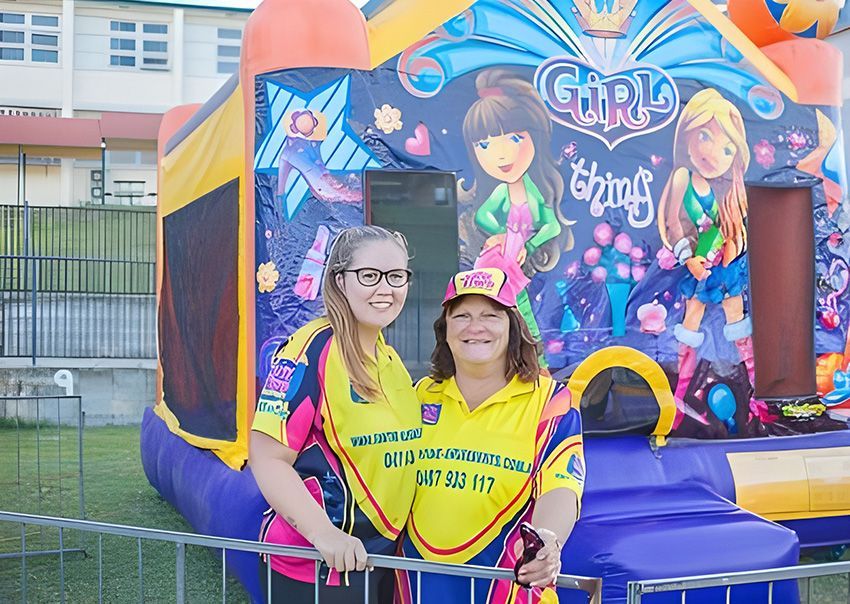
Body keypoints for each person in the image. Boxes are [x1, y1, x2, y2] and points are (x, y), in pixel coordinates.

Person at [249, 225, 421, 603]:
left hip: (379, 561)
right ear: (340, 281)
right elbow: (266, 456)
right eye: (369, 276)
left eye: (396, 276)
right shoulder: (309, 350)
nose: (386, 288)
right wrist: (324, 534)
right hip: (314, 569)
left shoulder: (389, 359)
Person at [398, 267, 585, 604]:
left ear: (512, 327)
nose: (475, 327)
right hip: (418, 589)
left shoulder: (550, 400)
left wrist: (548, 539)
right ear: (445, 328)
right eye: (462, 316)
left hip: (509, 592)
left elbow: (561, 487)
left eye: (490, 315)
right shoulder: (418, 395)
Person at [657, 88, 772, 431]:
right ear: (687, 133)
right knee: (690, 324)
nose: (713, 153)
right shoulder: (682, 177)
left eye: (726, 148)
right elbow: (673, 220)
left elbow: (733, 229)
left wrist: (733, 244)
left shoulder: (731, 189)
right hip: (697, 265)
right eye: (704, 136)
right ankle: (675, 395)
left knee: (738, 325)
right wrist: (687, 256)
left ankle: (757, 392)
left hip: (725, 267)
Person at [463, 69, 576, 351]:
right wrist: (501, 236)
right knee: (505, 309)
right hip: (498, 262)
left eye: (514, 139)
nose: (500, 155)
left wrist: (530, 243)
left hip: (518, 263)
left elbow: (552, 225)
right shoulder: (501, 193)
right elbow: (482, 216)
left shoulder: (533, 193)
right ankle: (525, 356)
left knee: (520, 310)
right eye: (485, 145)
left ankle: (534, 359)